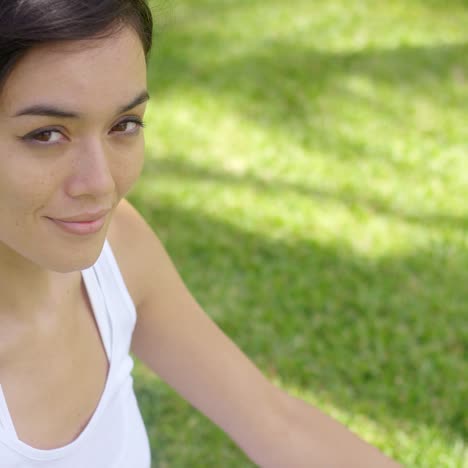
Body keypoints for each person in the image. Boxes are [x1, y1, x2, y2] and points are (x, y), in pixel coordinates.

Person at [0, 1, 401, 466]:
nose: (100, 183)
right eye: (46, 134)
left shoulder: (118, 250)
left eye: (124, 125)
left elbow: (275, 423)